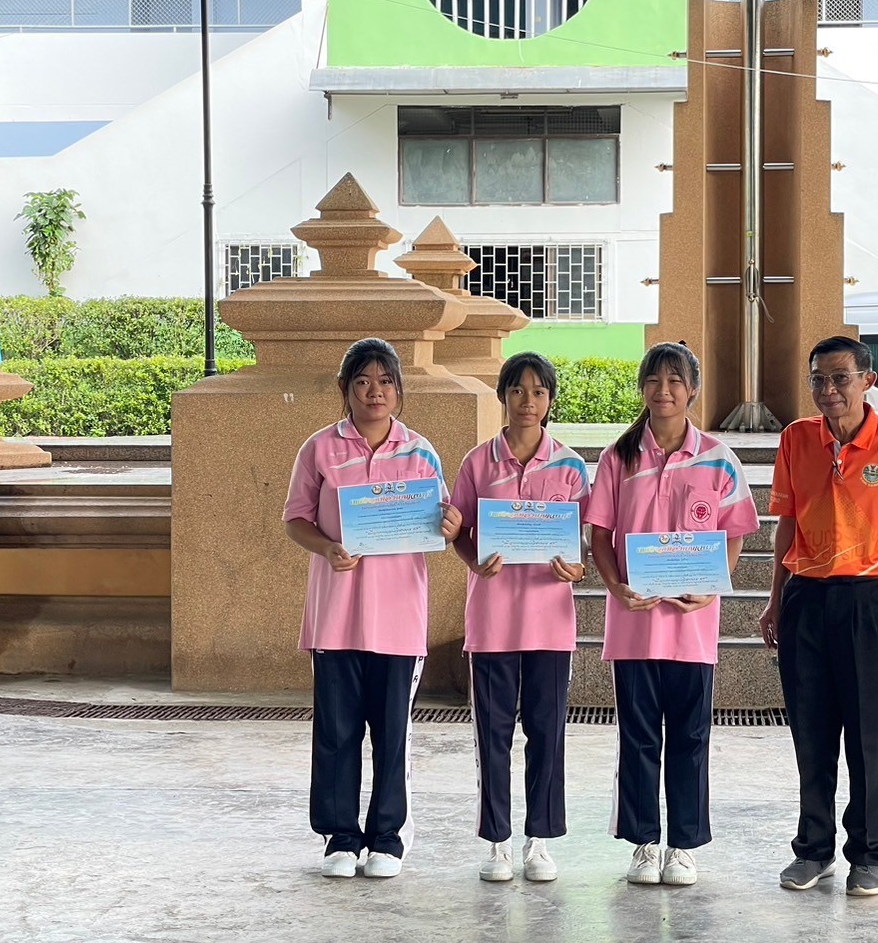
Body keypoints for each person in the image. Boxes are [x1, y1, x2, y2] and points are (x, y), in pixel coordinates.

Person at [760, 336, 878, 898]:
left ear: (868, 380)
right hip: (805, 599)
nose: (828, 389)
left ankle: (868, 853)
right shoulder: (796, 438)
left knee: (866, 736)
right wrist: (775, 598)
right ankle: (812, 851)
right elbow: (787, 522)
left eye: (840, 378)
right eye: (818, 379)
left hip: (869, 600)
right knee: (810, 734)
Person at [282, 337, 462, 881]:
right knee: (336, 732)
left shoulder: (420, 453)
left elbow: (441, 523)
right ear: (345, 389)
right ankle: (339, 836)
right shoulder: (320, 449)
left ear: (399, 391)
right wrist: (327, 548)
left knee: (391, 734)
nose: (374, 392)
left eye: (385, 382)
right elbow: (296, 520)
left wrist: (452, 525)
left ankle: (388, 836)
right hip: (336, 617)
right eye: (362, 381)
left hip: (399, 620)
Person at [586, 342, 760, 887]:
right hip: (634, 626)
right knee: (637, 737)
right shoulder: (619, 457)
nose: (664, 391)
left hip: (692, 628)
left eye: (675, 381)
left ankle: (683, 846)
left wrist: (712, 587)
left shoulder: (718, 458)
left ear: (693, 390)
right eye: (654, 380)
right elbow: (600, 535)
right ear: (642, 387)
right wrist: (615, 587)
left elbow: (734, 533)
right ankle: (643, 843)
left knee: (690, 737)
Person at [451, 352, 590, 885]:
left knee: (546, 732)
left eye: (538, 392)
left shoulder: (571, 467)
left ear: (550, 400)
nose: (527, 401)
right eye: (516, 390)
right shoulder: (477, 463)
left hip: (550, 622)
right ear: (502, 397)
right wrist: (473, 562)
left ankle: (540, 840)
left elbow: (584, 541)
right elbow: (461, 532)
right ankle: (497, 841)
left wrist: (577, 567)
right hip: (492, 622)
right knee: (492, 734)